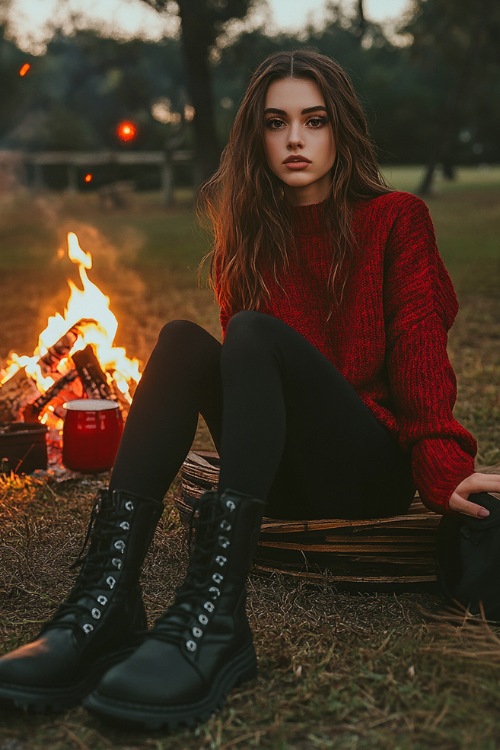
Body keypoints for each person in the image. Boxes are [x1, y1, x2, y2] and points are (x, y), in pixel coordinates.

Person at [0, 49, 499, 730]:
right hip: (275, 476)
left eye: (314, 120)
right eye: (276, 122)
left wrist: (445, 472)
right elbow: (247, 382)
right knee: (180, 339)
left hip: (364, 468)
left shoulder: (396, 220)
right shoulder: (249, 238)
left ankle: (215, 619)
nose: (295, 139)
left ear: (340, 129)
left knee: (255, 335)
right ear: (256, 136)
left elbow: (420, 367)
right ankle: (104, 603)